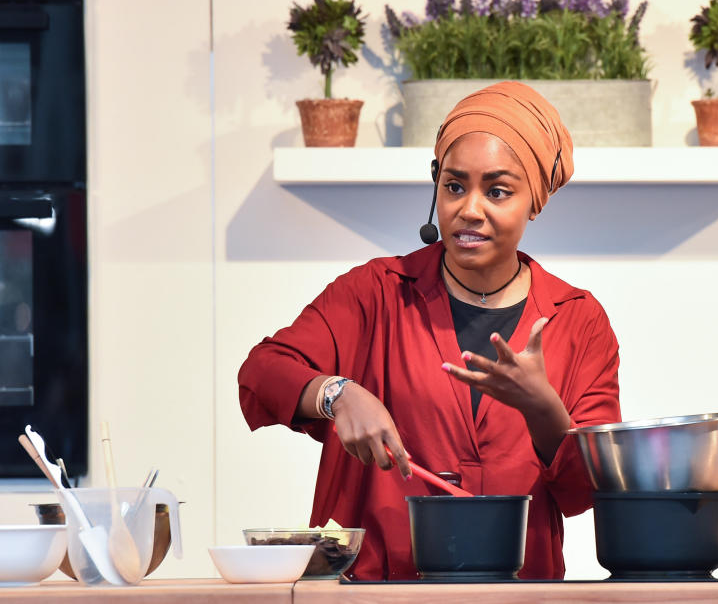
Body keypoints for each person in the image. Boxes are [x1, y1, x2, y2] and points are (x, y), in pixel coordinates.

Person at [238, 81, 621, 581]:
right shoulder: (376, 293)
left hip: (520, 596)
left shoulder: (577, 319)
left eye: (498, 191)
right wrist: (337, 393)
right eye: (455, 186)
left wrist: (541, 407)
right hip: (376, 592)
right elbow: (262, 373)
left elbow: (589, 490)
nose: (470, 209)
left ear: (534, 202)